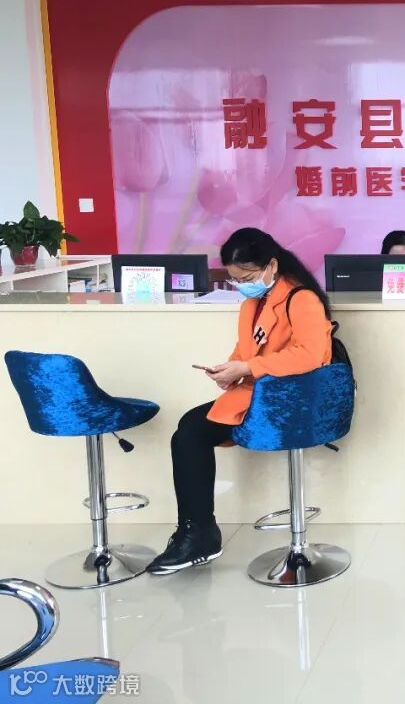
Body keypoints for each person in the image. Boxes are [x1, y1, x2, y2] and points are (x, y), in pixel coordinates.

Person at [147, 228, 333, 575]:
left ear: (271, 265)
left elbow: (310, 355)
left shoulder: (301, 298)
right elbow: (245, 350)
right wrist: (229, 370)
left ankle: (198, 533)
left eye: (247, 278)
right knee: (189, 427)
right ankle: (195, 530)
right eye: (236, 280)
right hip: (262, 393)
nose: (243, 286)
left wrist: (247, 368)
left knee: (191, 433)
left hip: (292, 400)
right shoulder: (252, 304)